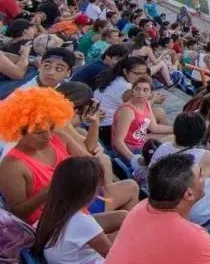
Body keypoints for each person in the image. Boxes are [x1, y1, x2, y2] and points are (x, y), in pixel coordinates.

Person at [0, 87, 138, 225]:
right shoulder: (12, 165)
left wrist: (84, 170)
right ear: (18, 131)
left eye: (52, 128)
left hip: (81, 202)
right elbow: (17, 214)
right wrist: (47, 192)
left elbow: (92, 164)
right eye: (39, 132)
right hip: (56, 223)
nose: (48, 136)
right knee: (122, 218)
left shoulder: (59, 137)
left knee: (131, 187)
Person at [33, 156, 124, 264]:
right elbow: (114, 259)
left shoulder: (53, 212)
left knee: (125, 233)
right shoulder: (82, 222)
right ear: (88, 192)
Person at [150, 112, 210, 225]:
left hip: (169, 205)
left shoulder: (163, 147)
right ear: (201, 134)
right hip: (197, 212)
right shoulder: (205, 156)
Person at [111, 75, 174, 164]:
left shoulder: (146, 104)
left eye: (145, 90)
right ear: (132, 91)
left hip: (140, 141)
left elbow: (154, 128)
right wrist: (134, 160)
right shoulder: (128, 111)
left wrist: (177, 129)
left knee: (175, 133)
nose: (140, 93)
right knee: (173, 138)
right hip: (130, 148)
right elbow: (118, 141)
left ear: (151, 93)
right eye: (137, 89)